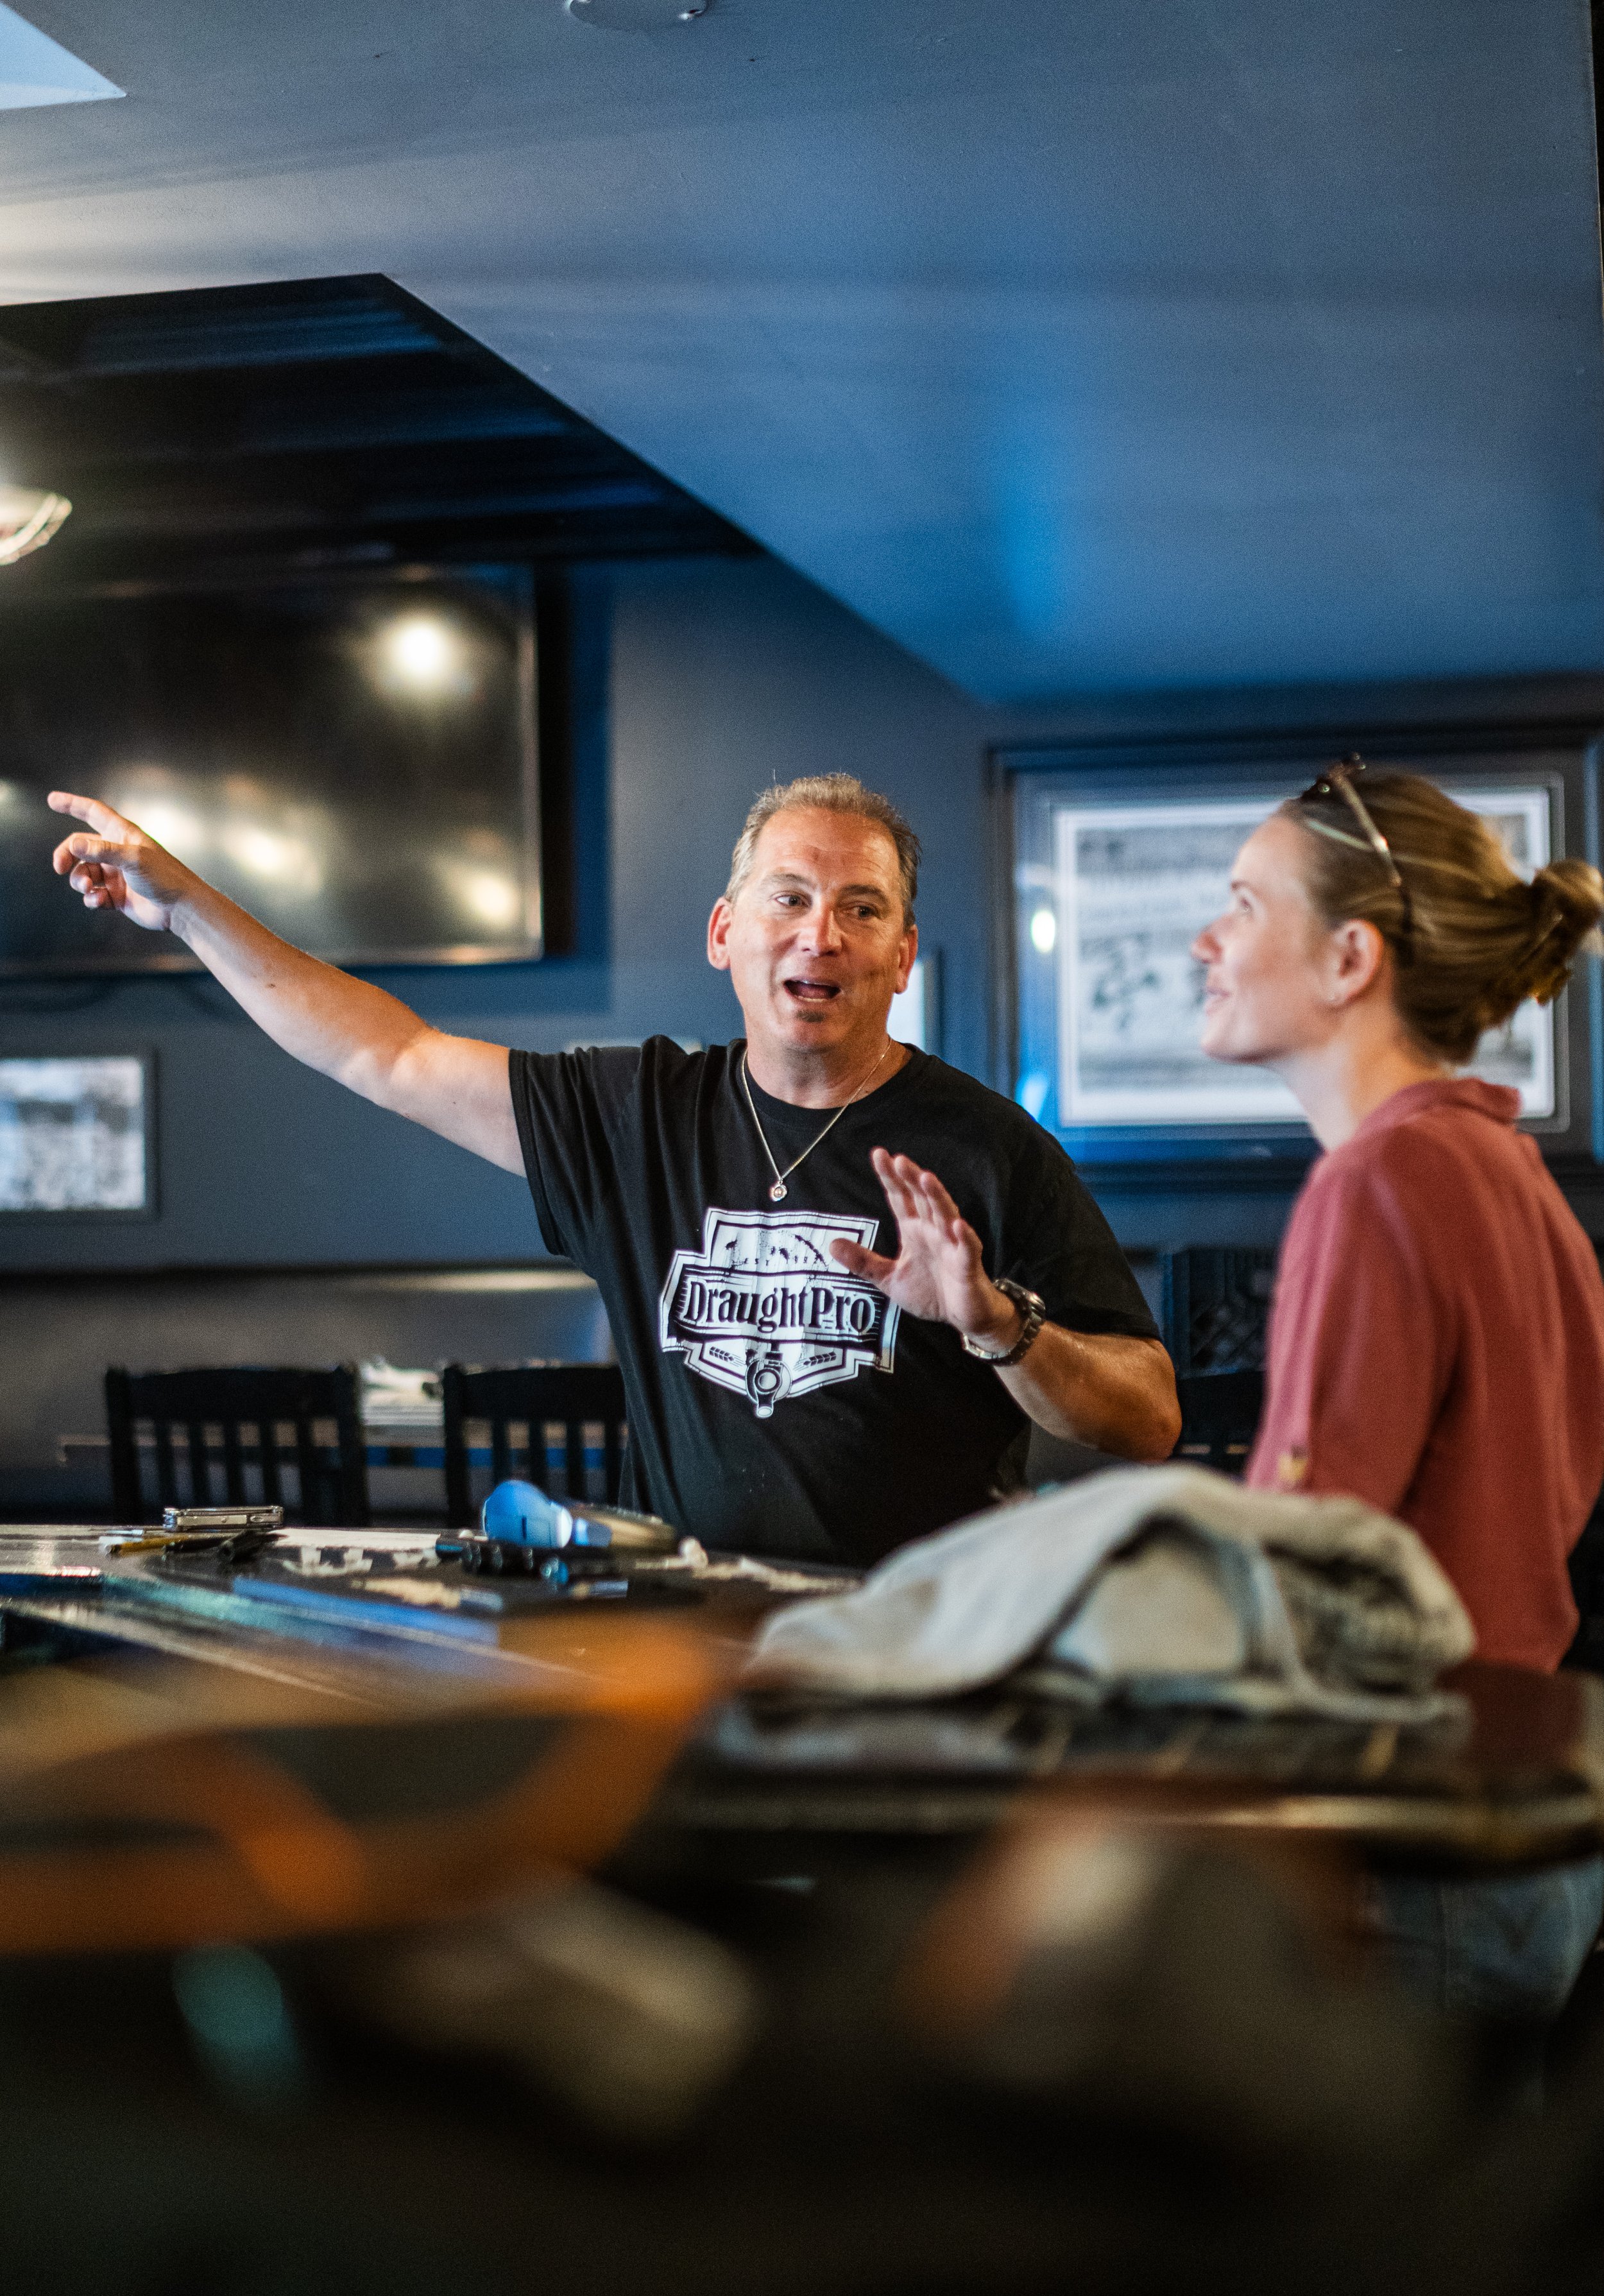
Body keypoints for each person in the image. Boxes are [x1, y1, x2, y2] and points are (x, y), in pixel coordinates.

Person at [50, 771, 1178, 1566]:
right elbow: (380, 1049)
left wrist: (995, 1323)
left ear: (901, 955)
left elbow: (1150, 1421)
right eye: (788, 896)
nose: (819, 932)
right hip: (682, 1641)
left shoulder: (990, 1146)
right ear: (724, 932)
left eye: (860, 908)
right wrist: (187, 907)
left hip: (922, 1641)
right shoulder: (636, 1113)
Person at [1193, 757, 1604, 2027]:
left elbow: (1309, 1576)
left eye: (1245, 904)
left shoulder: (1375, 1181)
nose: (1205, 939)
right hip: (1520, 1840)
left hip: (1408, 1847)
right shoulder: (1500, 1166)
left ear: (1347, 960)